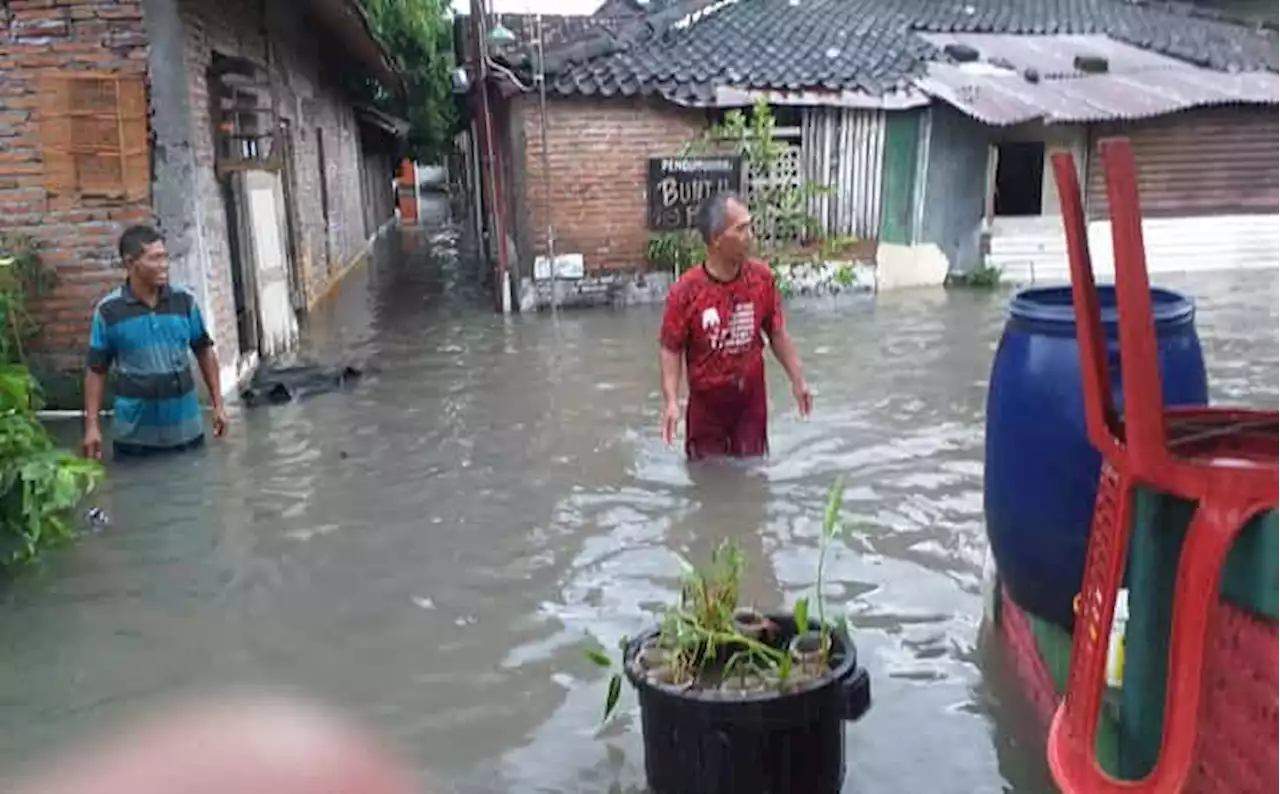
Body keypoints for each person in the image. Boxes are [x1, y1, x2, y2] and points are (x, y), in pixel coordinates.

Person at [658, 192, 812, 460]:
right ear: (717, 239)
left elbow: (777, 333)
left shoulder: (761, 279)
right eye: (741, 229)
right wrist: (672, 400)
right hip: (707, 407)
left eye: (750, 226)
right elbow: (671, 347)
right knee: (707, 480)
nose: (750, 235)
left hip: (750, 402)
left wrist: (798, 380)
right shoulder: (686, 292)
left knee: (753, 476)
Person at [82, 225, 228, 461]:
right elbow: (96, 370)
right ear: (131, 263)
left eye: (165, 257)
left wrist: (217, 404)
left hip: (187, 432)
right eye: (155, 258)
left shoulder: (184, 302)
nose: (164, 265)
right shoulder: (109, 311)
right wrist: (91, 427)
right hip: (134, 438)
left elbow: (204, 350)